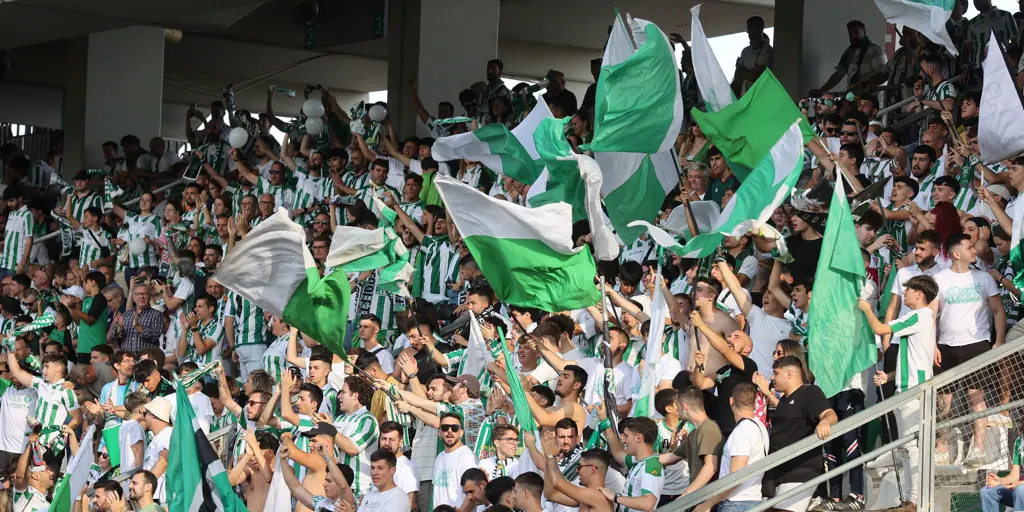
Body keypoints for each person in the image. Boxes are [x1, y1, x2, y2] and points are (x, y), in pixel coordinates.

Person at [933, 233, 1004, 464]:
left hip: (977, 344)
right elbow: (931, 315)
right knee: (943, 402)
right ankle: (942, 447)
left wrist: (999, 340)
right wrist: (932, 344)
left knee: (977, 400)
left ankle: (979, 448)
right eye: (969, 247)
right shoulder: (939, 278)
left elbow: (998, 310)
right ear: (956, 253)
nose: (974, 250)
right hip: (946, 345)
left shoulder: (984, 278)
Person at [765, 357, 837, 512]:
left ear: (789, 374)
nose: (772, 378)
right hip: (777, 471)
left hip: (800, 471)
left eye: (776, 373)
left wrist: (824, 422)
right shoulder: (783, 400)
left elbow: (830, 414)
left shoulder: (810, 392)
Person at [691, 383, 768, 512]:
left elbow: (736, 477)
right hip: (751, 499)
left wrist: (707, 504)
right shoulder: (760, 426)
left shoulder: (742, 432)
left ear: (731, 400)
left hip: (736, 503)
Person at [597, 410, 663, 512]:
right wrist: (605, 422)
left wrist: (615, 497)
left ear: (638, 438)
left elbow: (648, 504)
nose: (623, 441)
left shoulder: (650, 465)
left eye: (626, 436)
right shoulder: (638, 460)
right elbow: (618, 453)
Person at [810, 20, 888, 95]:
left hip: (871, 99)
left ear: (864, 32)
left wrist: (863, 85)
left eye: (857, 33)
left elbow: (882, 76)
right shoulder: (849, 52)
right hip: (853, 97)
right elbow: (839, 74)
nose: (853, 36)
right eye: (850, 34)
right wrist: (822, 90)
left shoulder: (875, 50)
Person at [432, 412, 479, 510]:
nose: (449, 431)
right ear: (439, 432)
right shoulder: (439, 457)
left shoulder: (467, 456)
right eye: (445, 428)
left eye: (454, 428)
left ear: (461, 432)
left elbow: (473, 493)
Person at [378, 421, 418, 509]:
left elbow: (411, 504)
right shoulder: (378, 465)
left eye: (391, 439)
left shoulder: (407, 468)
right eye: (384, 439)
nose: (387, 443)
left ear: (400, 442)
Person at [141, 396, 174, 503]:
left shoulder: (167, 433)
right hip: (153, 493)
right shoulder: (160, 436)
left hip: (160, 495)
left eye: (145, 414)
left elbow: (163, 463)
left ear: (153, 416)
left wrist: (144, 486)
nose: (143, 417)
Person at [732, 16, 772, 96]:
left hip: (761, 95)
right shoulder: (745, 52)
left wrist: (745, 72)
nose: (747, 32)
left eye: (750, 28)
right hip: (745, 95)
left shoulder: (768, 50)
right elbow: (738, 75)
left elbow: (763, 76)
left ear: (760, 28)